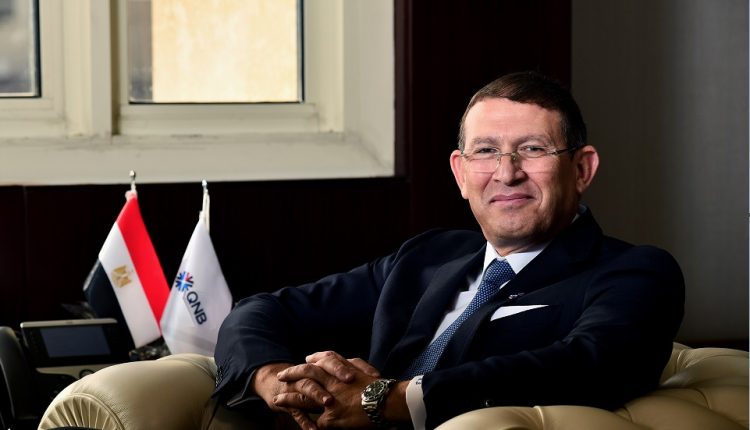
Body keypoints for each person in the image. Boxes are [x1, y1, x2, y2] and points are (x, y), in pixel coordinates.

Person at [212, 71, 685, 430]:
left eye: (533, 149)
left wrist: (383, 399)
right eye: (486, 151)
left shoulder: (636, 272)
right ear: (460, 173)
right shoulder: (426, 257)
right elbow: (259, 312)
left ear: (581, 170)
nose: (506, 173)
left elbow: (590, 364)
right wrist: (274, 380)